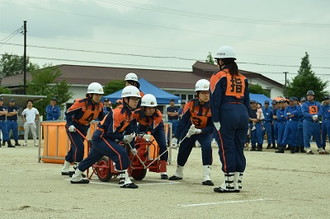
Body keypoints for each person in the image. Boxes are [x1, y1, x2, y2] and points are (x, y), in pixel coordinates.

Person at [70, 85, 141, 189]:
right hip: (102, 137)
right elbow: (110, 133)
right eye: (133, 99)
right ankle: (124, 180)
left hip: (103, 138)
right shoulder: (118, 113)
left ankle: (76, 177)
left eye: (137, 99)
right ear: (126, 99)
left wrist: (133, 146)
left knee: (92, 158)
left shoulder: (129, 113)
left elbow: (130, 131)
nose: (136, 101)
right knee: (121, 152)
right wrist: (123, 138)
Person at [210, 45, 250, 193]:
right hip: (242, 112)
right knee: (239, 148)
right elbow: (247, 100)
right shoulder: (243, 77)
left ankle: (228, 184)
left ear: (221, 61)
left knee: (226, 148)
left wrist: (215, 119)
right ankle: (237, 182)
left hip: (227, 112)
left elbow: (215, 99)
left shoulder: (218, 76)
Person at [169, 79, 214, 186]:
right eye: (203, 92)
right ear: (198, 94)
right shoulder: (191, 104)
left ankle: (206, 176)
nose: (206, 95)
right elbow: (183, 121)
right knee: (184, 147)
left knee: (207, 146)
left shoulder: (213, 106)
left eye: (208, 92)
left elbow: (212, 127)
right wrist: (176, 137)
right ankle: (178, 172)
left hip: (204, 131)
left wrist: (200, 131)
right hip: (190, 129)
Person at [61, 82, 105, 175]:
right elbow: (68, 113)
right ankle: (77, 167)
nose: (98, 97)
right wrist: (70, 125)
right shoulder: (81, 103)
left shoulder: (100, 105)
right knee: (79, 146)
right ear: (90, 94)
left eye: (100, 95)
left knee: (75, 147)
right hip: (74, 127)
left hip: (84, 127)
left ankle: (65, 168)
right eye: (96, 95)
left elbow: (103, 118)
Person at [133, 94, 168, 179]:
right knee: (135, 143)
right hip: (141, 126)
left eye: (153, 108)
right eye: (148, 108)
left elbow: (152, 129)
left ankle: (163, 170)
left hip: (157, 128)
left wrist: (145, 135)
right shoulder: (136, 113)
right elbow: (131, 124)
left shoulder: (158, 115)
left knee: (163, 145)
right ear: (143, 108)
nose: (151, 110)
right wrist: (137, 134)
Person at [301, 90, 326, 154]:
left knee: (317, 135)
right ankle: (307, 148)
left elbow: (321, 110)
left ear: (313, 96)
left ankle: (320, 147)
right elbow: (304, 112)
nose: (309, 97)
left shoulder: (317, 103)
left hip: (316, 122)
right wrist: (311, 116)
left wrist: (317, 115)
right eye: (308, 95)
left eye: (311, 95)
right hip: (307, 121)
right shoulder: (304, 104)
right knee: (307, 135)